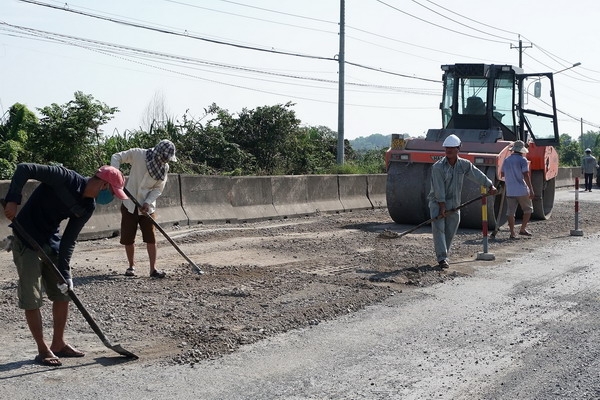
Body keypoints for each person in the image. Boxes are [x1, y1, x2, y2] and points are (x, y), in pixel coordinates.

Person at [2, 163, 127, 367]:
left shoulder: (87, 207)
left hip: (50, 241)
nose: (111, 198)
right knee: (32, 297)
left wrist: (66, 274)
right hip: (26, 238)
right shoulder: (64, 177)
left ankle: (58, 343)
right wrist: (13, 199)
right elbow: (24, 168)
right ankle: (43, 349)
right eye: (112, 192)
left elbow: (69, 241)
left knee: (63, 292)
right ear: (104, 184)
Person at [427, 134, 497, 269]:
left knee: (451, 229)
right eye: (447, 148)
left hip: (454, 203)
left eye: (452, 148)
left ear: (458, 149)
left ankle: (444, 254)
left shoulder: (463, 165)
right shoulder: (438, 167)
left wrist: (489, 185)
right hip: (437, 203)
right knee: (439, 230)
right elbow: (438, 188)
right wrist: (442, 206)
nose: (449, 151)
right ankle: (442, 258)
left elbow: (476, 174)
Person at [111, 139, 177, 279]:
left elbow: (158, 188)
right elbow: (116, 156)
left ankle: (153, 269)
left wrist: (147, 202)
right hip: (129, 204)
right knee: (128, 237)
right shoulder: (138, 154)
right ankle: (131, 266)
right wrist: (115, 176)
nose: (164, 161)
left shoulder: (164, 168)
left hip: (147, 208)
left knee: (151, 238)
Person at [501, 140, 535, 238]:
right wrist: (531, 189)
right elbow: (526, 175)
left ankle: (512, 233)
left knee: (510, 212)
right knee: (528, 210)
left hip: (510, 190)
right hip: (521, 189)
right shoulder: (522, 160)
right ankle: (522, 229)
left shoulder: (506, 160)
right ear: (522, 150)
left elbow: (502, 174)